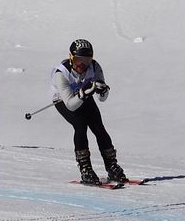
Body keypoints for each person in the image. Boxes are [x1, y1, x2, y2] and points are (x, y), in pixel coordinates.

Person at [51, 39, 128, 184]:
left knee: (99, 128)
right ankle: (85, 169)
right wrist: (85, 93)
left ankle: (112, 166)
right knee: (80, 126)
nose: (82, 65)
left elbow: (102, 98)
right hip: (63, 100)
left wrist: (103, 90)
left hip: (84, 95)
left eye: (87, 60)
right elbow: (70, 105)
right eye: (79, 60)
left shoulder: (94, 66)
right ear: (71, 58)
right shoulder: (61, 73)